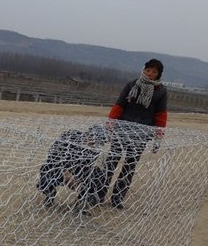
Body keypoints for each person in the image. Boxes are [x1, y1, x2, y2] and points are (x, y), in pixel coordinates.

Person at [102, 58, 168, 209]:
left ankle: (117, 198)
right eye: (148, 70)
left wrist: (158, 137)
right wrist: (110, 125)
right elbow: (119, 105)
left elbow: (161, 115)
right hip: (122, 129)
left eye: (154, 72)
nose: (150, 74)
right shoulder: (132, 84)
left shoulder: (161, 91)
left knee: (129, 166)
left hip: (142, 133)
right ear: (144, 70)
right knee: (111, 162)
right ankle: (98, 194)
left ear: (159, 74)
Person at [37, 124, 109, 208]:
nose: (95, 145)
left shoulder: (94, 150)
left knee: (96, 173)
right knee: (44, 181)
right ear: (88, 134)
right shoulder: (69, 136)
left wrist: (77, 181)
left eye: (97, 143)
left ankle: (80, 202)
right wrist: (65, 172)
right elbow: (53, 157)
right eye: (94, 142)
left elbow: (87, 168)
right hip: (56, 169)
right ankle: (50, 194)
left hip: (76, 172)